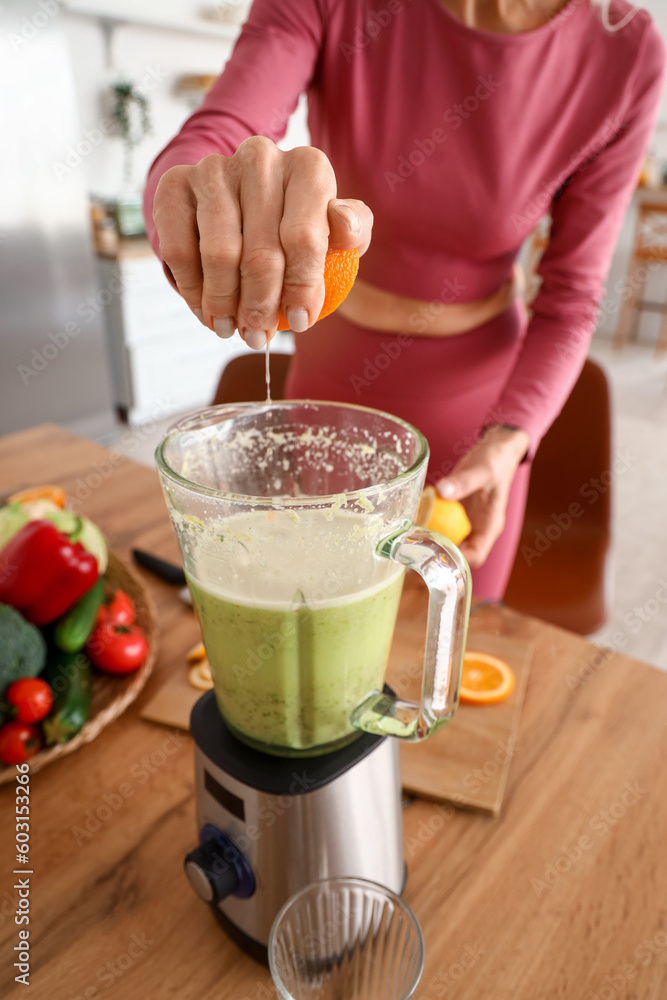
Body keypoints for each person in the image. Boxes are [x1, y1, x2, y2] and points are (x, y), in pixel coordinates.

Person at [143, 0, 665, 599]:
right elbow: (215, 135)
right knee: (312, 629)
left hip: (478, 423)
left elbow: (574, 296)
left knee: (442, 659)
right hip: (329, 394)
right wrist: (190, 207)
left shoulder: (624, 54)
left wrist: (511, 439)